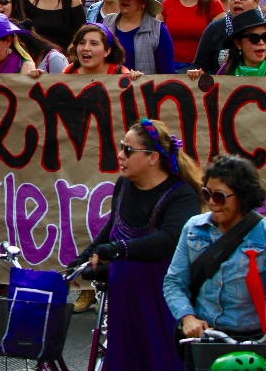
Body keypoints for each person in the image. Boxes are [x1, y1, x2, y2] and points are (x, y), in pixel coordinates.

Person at [163, 155, 266, 370]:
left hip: (262, 340)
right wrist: (187, 317)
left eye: (219, 196)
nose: (211, 202)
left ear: (242, 196)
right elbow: (174, 282)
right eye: (206, 194)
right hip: (209, 340)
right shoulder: (193, 229)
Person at [71, 119, 202, 371]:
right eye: (122, 147)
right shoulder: (124, 185)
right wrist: (86, 255)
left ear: (153, 157)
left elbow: (171, 238)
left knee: (160, 359)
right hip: (124, 291)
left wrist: (119, 249)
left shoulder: (181, 194)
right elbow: (113, 225)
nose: (120, 154)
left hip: (161, 294)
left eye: (128, 150)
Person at [162, 0, 225, 72]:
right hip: (170, 68)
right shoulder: (168, 3)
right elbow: (156, 36)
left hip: (201, 69)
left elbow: (222, 41)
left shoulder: (213, 4)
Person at [102, 0, 175, 74]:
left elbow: (167, 73)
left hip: (144, 88)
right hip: (109, 87)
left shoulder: (158, 30)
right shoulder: (106, 22)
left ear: (143, 3)